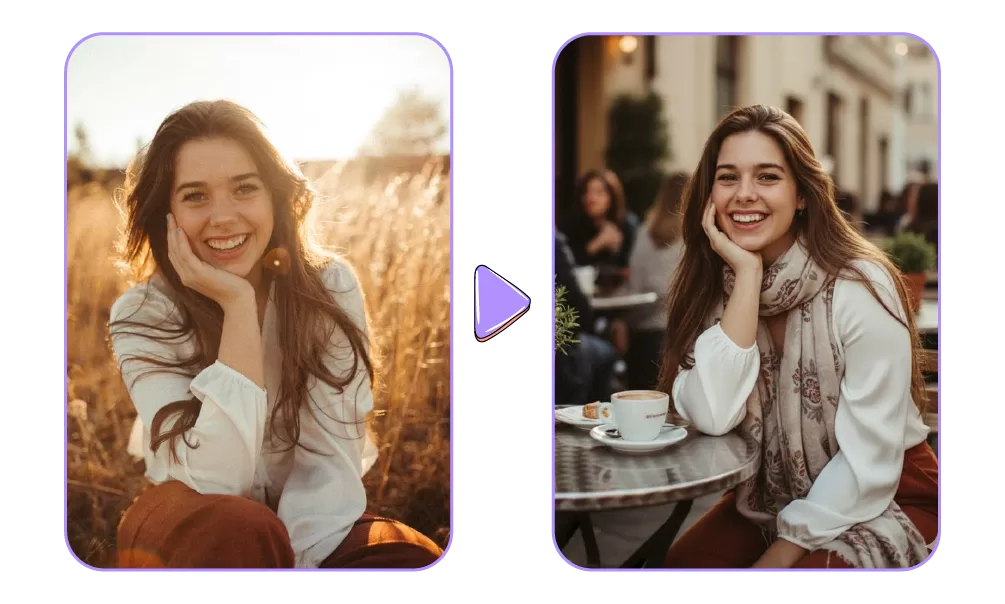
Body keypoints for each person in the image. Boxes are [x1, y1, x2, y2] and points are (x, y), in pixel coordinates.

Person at [107, 100, 443, 569]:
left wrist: (292, 568)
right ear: (167, 215)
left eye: (245, 188)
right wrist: (238, 306)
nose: (223, 216)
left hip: (314, 523)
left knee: (410, 559)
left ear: (276, 196)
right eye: (195, 196)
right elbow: (216, 483)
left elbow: (330, 463)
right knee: (241, 529)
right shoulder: (142, 314)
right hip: (190, 516)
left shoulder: (331, 287)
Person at [657, 105, 936, 569]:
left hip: (884, 489)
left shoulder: (860, 285)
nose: (744, 194)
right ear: (709, 195)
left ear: (802, 194)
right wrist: (747, 277)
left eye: (767, 176)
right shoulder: (715, 286)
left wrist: (783, 551)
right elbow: (713, 415)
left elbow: (868, 458)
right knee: (678, 571)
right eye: (728, 177)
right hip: (770, 496)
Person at [617, 172, 689, 390]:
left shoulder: (644, 233)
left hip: (645, 337)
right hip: (684, 335)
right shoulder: (695, 235)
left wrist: (622, 322)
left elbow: (634, 287)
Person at [561, 169, 638, 289]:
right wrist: (595, 245)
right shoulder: (571, 225)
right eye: (586, 192)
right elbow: (566, 270)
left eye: (599, 193)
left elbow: (634, 269)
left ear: (612, 196)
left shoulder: (627, 225)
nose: (591, 199)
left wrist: (617, 250)